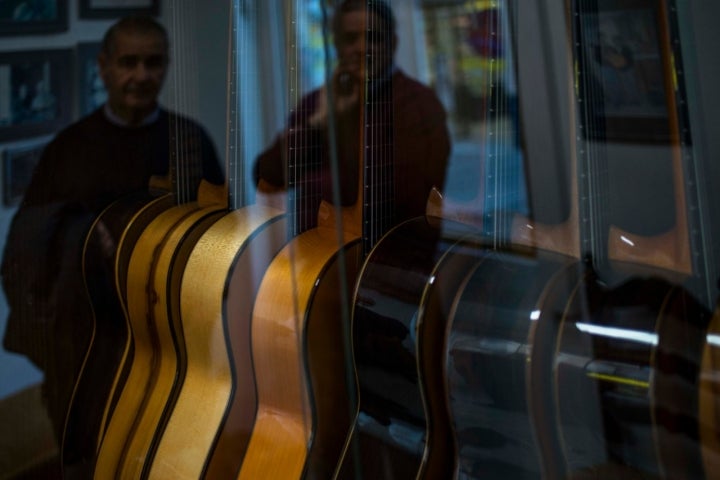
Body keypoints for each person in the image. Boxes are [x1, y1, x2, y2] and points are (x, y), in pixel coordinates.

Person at [0, 14, 223, 471]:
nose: (141, 75)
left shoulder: (189, 141)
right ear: (103, 67)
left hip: (171, 340)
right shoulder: (70, 148)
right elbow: (26, 249)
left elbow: (217, 236)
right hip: (86, 344)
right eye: (128, 62)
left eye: (153, 62)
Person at [254, 0, 450, 234]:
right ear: (336, 45)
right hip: (320, 258)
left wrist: (316, 183)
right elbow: (266, 177)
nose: (361, 48)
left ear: (392, 43)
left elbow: (401, 200)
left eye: (373, 37)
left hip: (392, 262)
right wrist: (317, 124)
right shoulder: (321, 101)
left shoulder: (419, 103)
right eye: (350, 39)